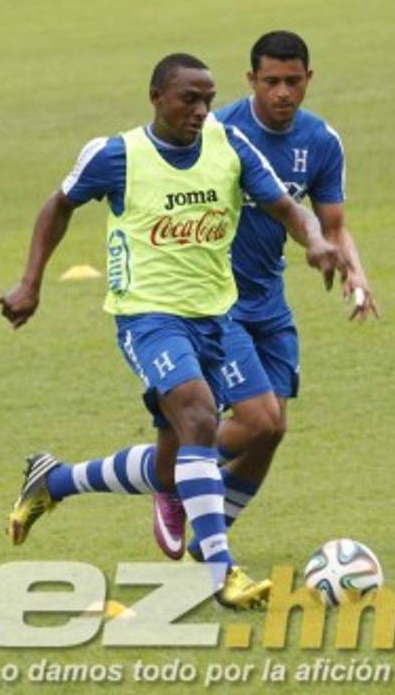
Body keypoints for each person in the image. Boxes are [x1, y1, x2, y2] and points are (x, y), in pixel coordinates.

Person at [0, 53, 348, 609]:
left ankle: (53, 482)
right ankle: (220, 572)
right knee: (200, 418)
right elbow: (57, 206)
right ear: (156, 96)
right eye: (189, 98)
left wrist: (318, 241)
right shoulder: (117, 155)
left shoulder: (229, 146)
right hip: (149, 317)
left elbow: (285, 206)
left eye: (208, 98)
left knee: (238, 434)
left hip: (218, 317)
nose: (201, 109)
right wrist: (29, 285)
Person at [151, 31, 379, 561]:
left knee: (273, 432)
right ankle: (171, 478)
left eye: (293, 82)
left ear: (308, 80)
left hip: (268, 300)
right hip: (215, 299)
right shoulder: (216, 131)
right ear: (250, 79)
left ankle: (212, 537)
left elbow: (334, 224)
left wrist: (357, 274)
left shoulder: (320, 142)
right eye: (271, 81)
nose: (282, 93)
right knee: (258, 421)